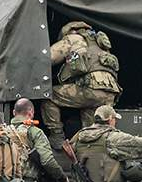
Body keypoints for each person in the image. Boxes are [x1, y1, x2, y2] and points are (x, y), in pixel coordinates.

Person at [42, 21, 122, 149]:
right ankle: (91, 151)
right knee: (91, 131)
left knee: (49, 95)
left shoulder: (73, 38)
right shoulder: (100, 43)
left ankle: (57, 136)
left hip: (90, 89)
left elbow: (48, 57)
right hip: (109, 93)